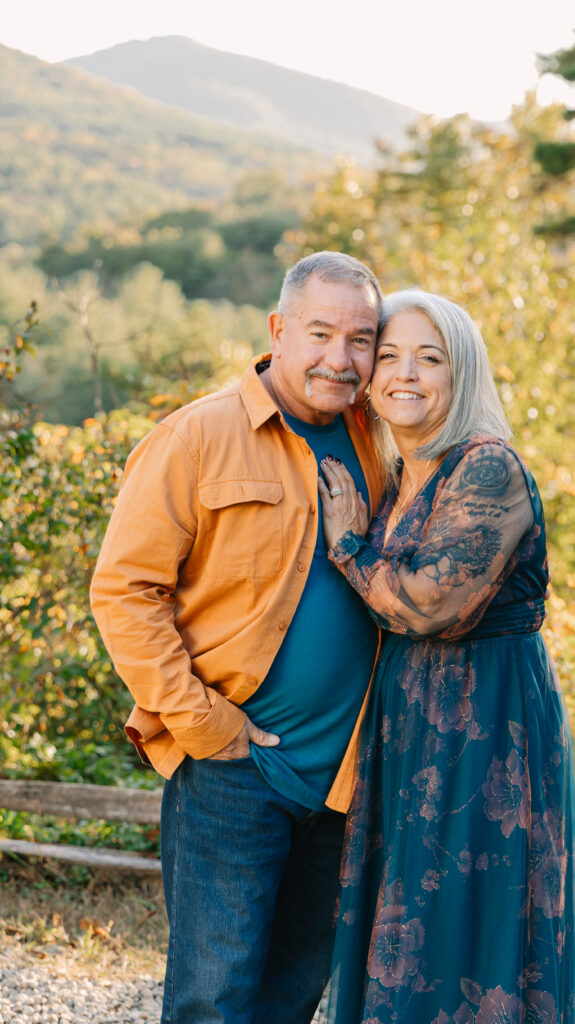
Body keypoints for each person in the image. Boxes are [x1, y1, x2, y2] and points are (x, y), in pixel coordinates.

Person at [89, 251, 387, 1024]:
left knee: (292, 996)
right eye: (319, 333)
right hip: (234, 770)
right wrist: (202, 723)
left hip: (343, 779)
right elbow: (124, 590)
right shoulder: (197, 436)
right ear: (278, 330)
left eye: (360, 340)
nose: (339, 358)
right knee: (213, 1000)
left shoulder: (380, 447)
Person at [318, 290, 575, 1023]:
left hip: (488, 725)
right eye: (388, 356)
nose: (404, 373)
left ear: (461, 374)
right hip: (409, 720)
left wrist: (348, 545)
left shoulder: (485, 467)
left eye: (429, 358)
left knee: (467, 928)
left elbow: (426, 603)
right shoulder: (394, 473)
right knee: (406, 925)